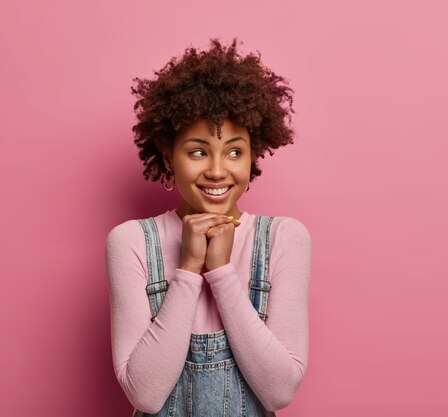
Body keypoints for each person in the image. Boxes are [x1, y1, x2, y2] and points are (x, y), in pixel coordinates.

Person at [104, 38, 312, 417]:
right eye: (198, 151)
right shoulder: (132, 242)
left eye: (235, 151)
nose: (217, 170)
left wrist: (221, 272)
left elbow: (280, 391)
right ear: (169, 156)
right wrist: (187, 270)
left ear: (253, 157)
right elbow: (146, 396)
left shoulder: (283, 238)